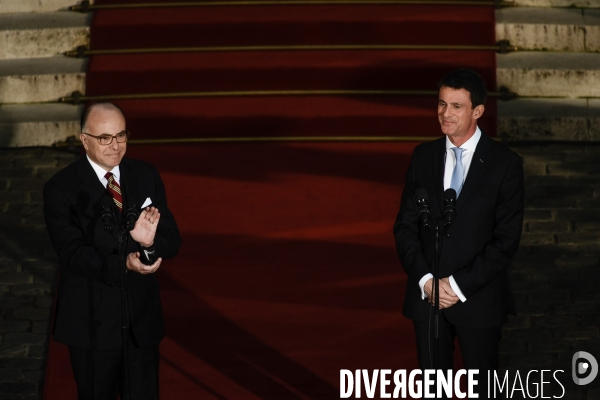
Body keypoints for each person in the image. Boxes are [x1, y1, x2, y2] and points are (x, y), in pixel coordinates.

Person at [393, 69, 524, 397]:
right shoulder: (423, 156)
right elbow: (405, 227)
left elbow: (505, 240)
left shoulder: (505, 164)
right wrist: (426, 281)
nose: (445, 114)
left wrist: (455, 285)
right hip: (427, 302)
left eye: (456, 106)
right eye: (441, 104)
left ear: (477, 111)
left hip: (477, 300)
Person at [43, 102, 181, 399]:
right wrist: (124, 265)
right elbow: (72, 253)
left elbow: (171, 238)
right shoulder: (62, 188)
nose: (115, 145)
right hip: (92, 322)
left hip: (140, 323)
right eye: (105, 137)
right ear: (84, 140)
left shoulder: (145, 175)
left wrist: (148, 246)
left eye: (121, 135)